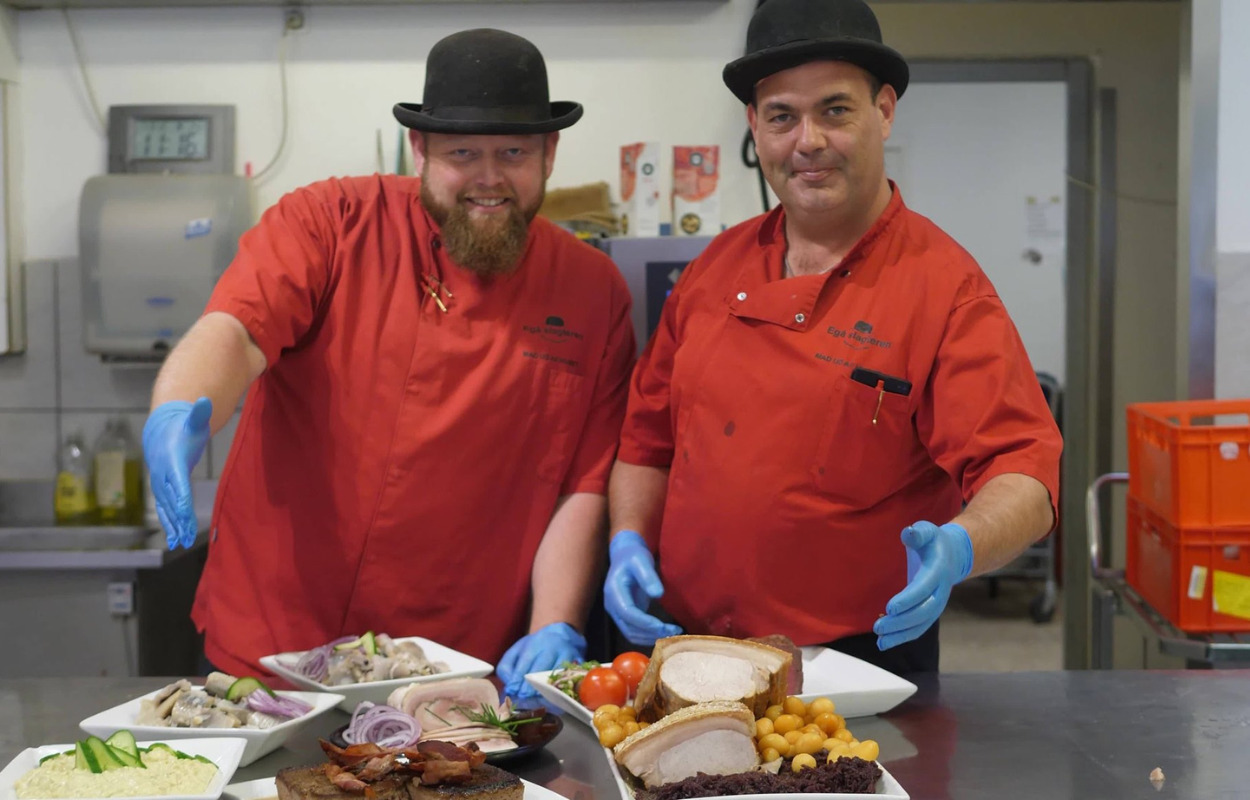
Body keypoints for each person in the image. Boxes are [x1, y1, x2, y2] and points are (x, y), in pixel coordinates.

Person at [141, 28, 635, 697]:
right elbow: (235, 330)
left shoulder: (592, 289)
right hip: (274, 653)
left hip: (454, 666)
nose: (489, 178)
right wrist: (181, 404)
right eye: (463, 152)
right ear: (421, 148)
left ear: (549, 154)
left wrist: (554, 622)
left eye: (513, 152)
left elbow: (580, 484)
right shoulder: (332, 222)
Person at [602, 0, 1062, 675]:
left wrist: (962, 544)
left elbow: (1022, 471)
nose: (807, 140)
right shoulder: (710, 272)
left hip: (860, 664)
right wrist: (626, 540)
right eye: (782, 116)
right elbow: (645, 444)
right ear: (755, 127)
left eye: (835, 110)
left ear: (884, 110)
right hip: (689, 649)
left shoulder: (943, 287)